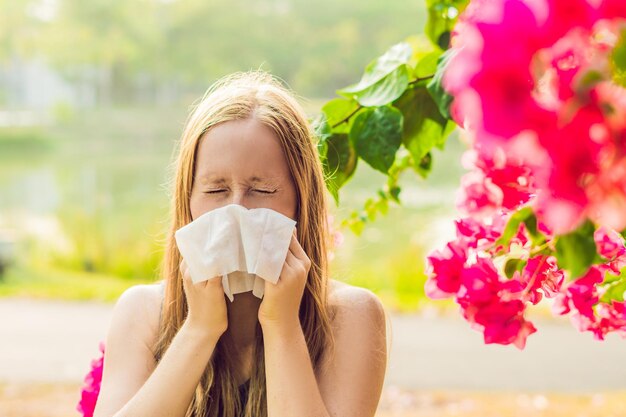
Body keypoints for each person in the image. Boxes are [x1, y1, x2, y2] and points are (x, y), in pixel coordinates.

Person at [92, 70, 388, 417]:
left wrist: (282, 325)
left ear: (301, 200)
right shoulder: (143, 312)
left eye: (261, 190)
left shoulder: (350, 315)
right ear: (187, 200)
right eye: (216, 190)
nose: (235, 211)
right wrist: (200, 329)